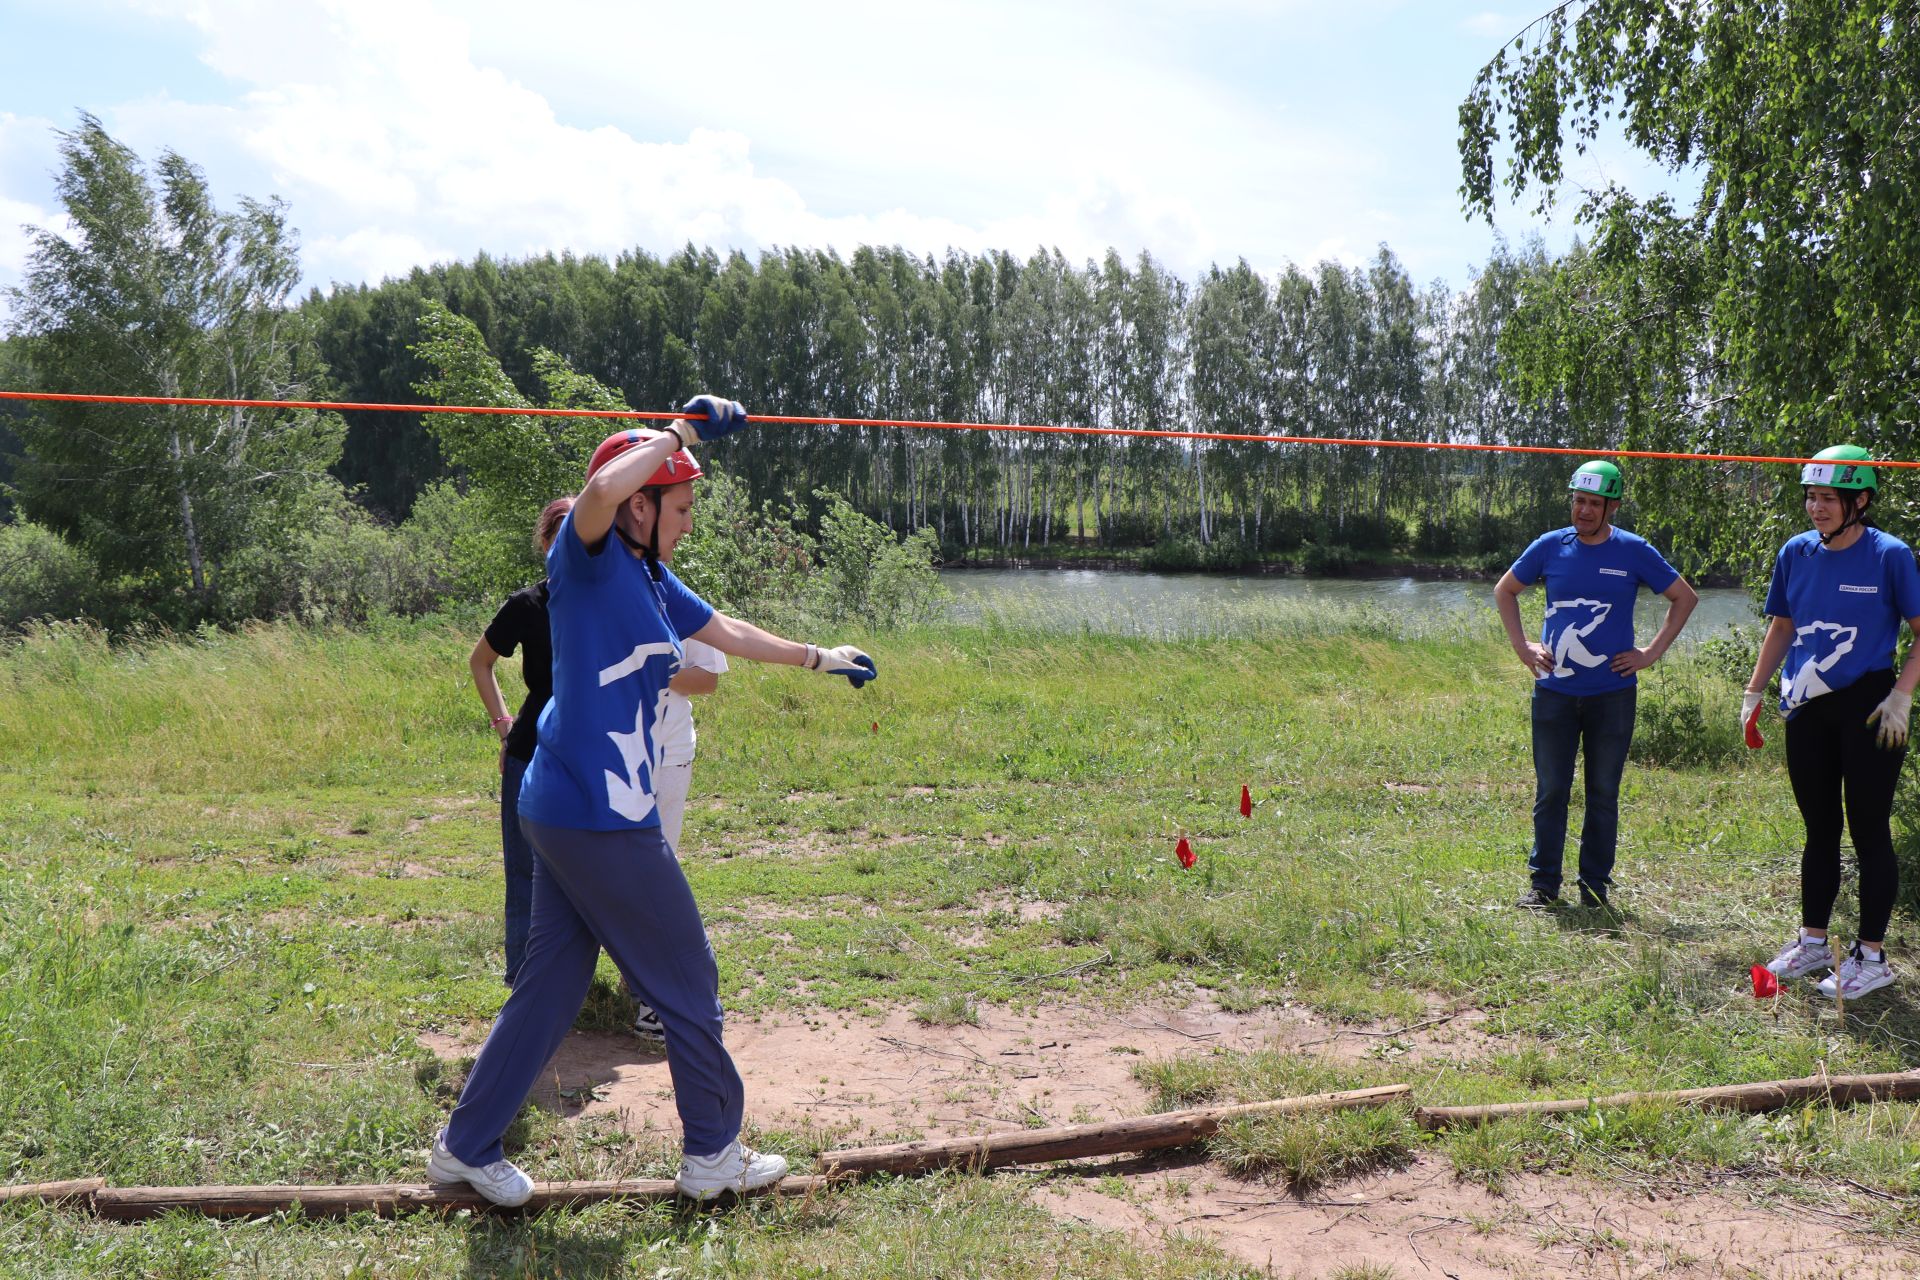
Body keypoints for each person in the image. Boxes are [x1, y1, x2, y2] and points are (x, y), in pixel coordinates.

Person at [426, 396, 878, 1206]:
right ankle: (713, 1153)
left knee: (552, 986)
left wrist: (820, 656)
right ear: (640, 503)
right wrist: (678, 433)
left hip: (566, 805)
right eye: (682, 503)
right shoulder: (586, 556)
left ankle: (464, 1145)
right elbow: (594, 494)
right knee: (687, 975)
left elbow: (728, 631)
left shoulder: (647, 576)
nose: (690, 520)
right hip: (598, 815)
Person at [1746, 445, 1920, 1000]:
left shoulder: (1890, 554)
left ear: (1860, 501)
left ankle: (1872, 956)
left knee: (1868, 829)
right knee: (1819, 827)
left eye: (1828, 498)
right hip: (1808, 706)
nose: (1816, 508)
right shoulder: (1795, 553)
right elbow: (1782, 626)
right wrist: (1753, 690)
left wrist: (1902, 696)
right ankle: (1814, 941)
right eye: (1811, 497)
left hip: (1871, 706)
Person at [1494, 460, 1699, 910]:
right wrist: (1522, 646)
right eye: (1578, 501)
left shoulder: (1633, 550)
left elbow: (1684, 598)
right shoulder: (1550, 546)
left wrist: (1649, 653)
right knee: (1551, 791)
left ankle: (1594, 889)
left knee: (1602, 794)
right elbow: (1504, 591)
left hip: (1612, 695)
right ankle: (1544, 885)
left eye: (1594, 504)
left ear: (1613, 507)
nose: (1583, 511)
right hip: (1554, 693)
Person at [469, 496, 573, 989]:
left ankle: (576, 981)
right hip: (531, 750)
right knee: (526, 872)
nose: (568, 542)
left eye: (579, 531)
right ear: (546, 542)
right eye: (559, 533)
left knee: (588, 875)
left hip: (589, 753)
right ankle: (524, 982)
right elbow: (480, 662)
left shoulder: (607, 600)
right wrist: (504, 724)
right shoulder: (527, 604)